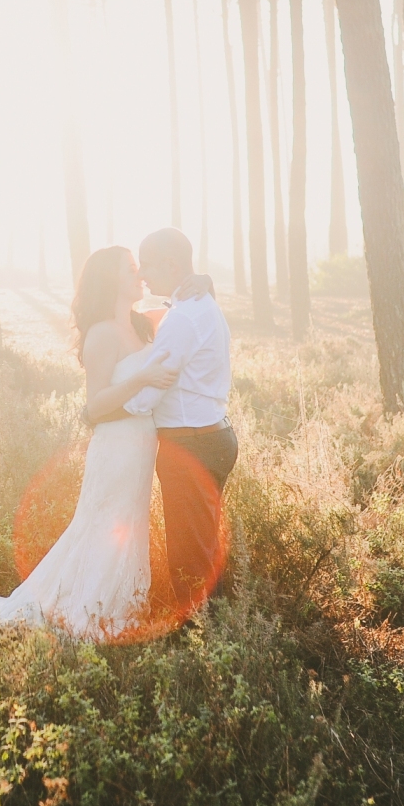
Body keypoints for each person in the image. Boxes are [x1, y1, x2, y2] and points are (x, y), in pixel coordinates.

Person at [0, 245, 178, 640]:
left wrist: (197, 283)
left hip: (142, 447)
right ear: (110, 279)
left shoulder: (142, 323)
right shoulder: (102, 334)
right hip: (116, 446)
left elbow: (182, 310)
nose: (141, 274)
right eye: (131, 269)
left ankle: (119, 600)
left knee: (129, 526)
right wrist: (141, 380)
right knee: (102, 525)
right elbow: (94, 407)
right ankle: (88, 607)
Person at [125, 228, 236, 617]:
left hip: (191, 446)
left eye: (148, 265)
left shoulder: (183, 318)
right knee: (204, 545)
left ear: (171, 265)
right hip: (212, 437)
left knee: (191, 557)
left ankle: (200, 635)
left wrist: (108, 404)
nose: (142, 276)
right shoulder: (199, 303)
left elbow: (148, 395)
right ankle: (218, 627)